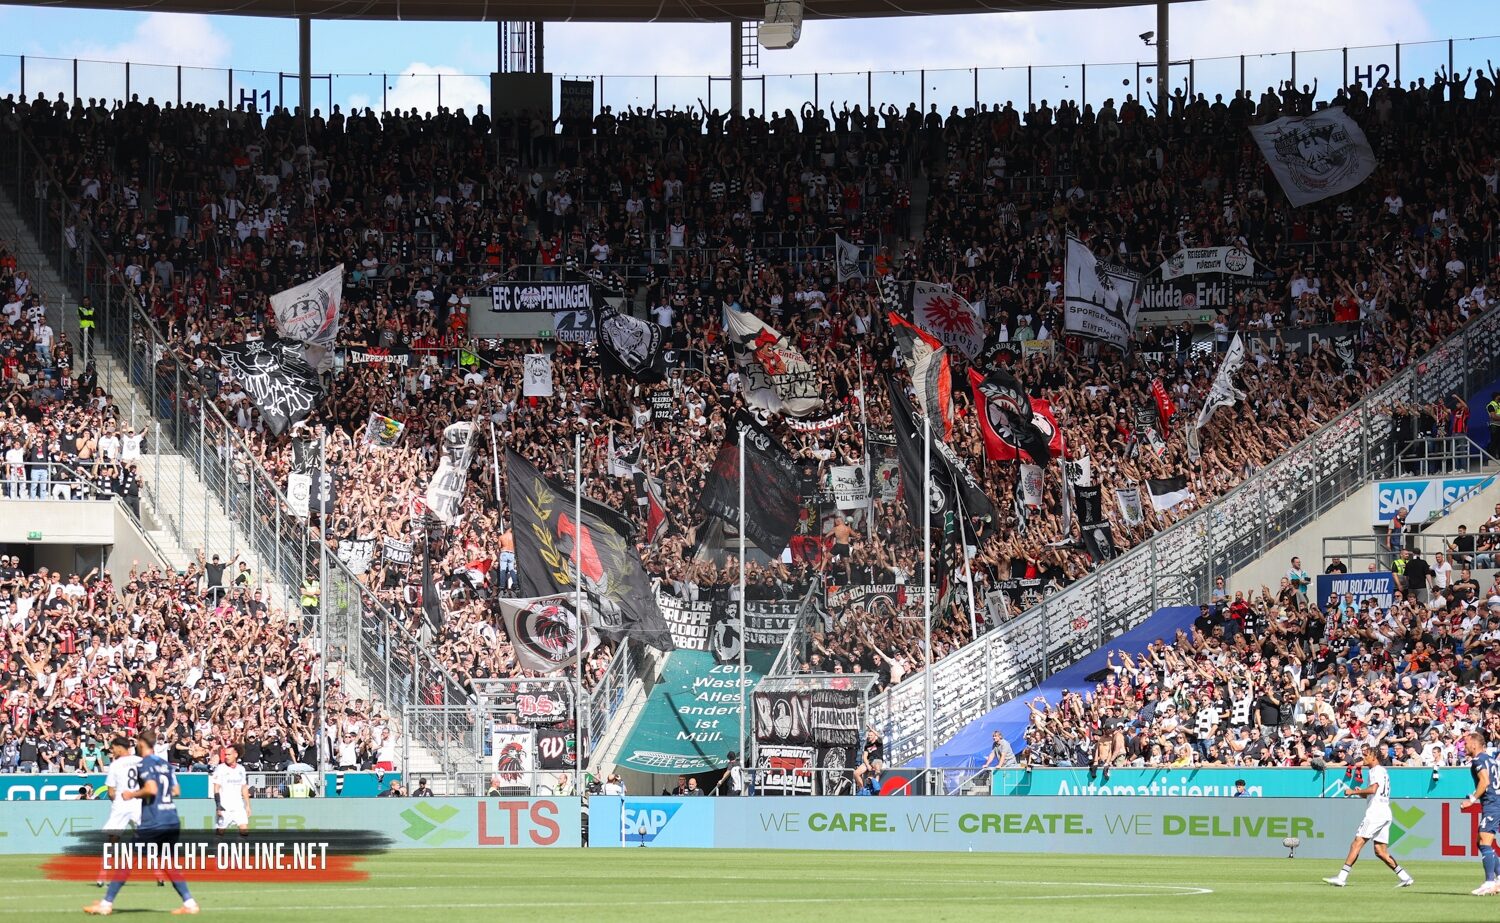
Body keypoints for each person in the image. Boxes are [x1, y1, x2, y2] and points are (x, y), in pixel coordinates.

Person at [86, 731, 200, 916]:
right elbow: (177, 790)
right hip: (171, 817)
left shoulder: (144, 762)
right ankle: (189, 903)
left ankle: (106, 904)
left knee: (127, 861)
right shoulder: (164, 763)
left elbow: (151, 788)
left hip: (153, 820)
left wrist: (132, 794)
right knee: (168, 863)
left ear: (140, 743)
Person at [1322, 748, 1414, 889]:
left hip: (1376, 813)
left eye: (1366, 755)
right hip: (1385, 812)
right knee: (1380, 851)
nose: (1363, 758)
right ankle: (1405, 877)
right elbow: (1372, 793)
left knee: (1356, 843)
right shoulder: (1383, 771)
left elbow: (1373, 789)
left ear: (1374, 757)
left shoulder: (1375, 771)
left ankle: (1341, 878)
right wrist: (1359, 793)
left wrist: (1352, 791)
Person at [96, 736, 141, 888]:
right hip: (138, 803)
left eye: (113, 748)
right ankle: (160, 875)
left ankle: (102, 876)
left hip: (121, 803)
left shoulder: (115, 764)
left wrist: (117, 800)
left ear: (120, 748)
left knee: (112, 839)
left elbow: (110, 792)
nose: (112, 751)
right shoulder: (140, 761)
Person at [1464, 730, 1500, 895]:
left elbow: (1485, 782)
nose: (1464, 746)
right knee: (1481, 842)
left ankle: (1489, 882)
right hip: (1495, 803)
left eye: (1466, 743)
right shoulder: (1491, 760)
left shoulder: (1478, 760)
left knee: (1484, 842)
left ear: (1473, 744)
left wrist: (1471, 800)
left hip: (1493, 805)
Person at [211, 746, 251, 837]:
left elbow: (244, 787)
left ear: (235, 755)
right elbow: (216, 788)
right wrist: (218, 806)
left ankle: (239, 850)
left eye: (229, 754)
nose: (226, 757)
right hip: (225, 806)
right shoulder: (220, 768)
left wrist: (248, 805)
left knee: (244, 830)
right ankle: (216, 850)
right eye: (225, 755)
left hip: (238, 806)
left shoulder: (241, 769)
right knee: (220, 833)